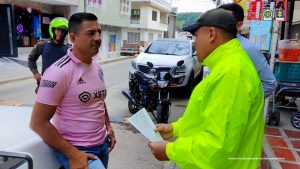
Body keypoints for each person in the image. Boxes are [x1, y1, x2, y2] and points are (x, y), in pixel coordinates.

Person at [148, 8, 265, 169]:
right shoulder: (229, 65)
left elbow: (218, 147)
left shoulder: (231, 74)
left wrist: (170, 150)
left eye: (196, 36)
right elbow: (206, 119)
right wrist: (174, 128)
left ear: (211, 34)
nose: (194, 43)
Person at [29, 13, 116, 169]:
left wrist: (108, 128)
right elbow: (38, 123)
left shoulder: (97, 67)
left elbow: (99, 100)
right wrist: (73, 154)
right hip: (78, 149)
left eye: (98, 32)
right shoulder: (59, 72)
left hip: (102, 145)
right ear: (74, 38)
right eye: (90, 33)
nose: (98, 38)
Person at [219, 3, 277, 98]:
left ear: (239, 25)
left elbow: (269, 83)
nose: (217, 24)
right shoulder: (214, 46)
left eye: (224, 21)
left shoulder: (247, 48)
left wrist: (245, 101)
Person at [28, 17, 70, 93]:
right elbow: (31, 59)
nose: (60, 34)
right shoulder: (42, 45)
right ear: (53, 30)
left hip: (63, 85)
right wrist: (35, 72)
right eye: (58, 30)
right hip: (46, 84)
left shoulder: (68, 48)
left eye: (63, 31)